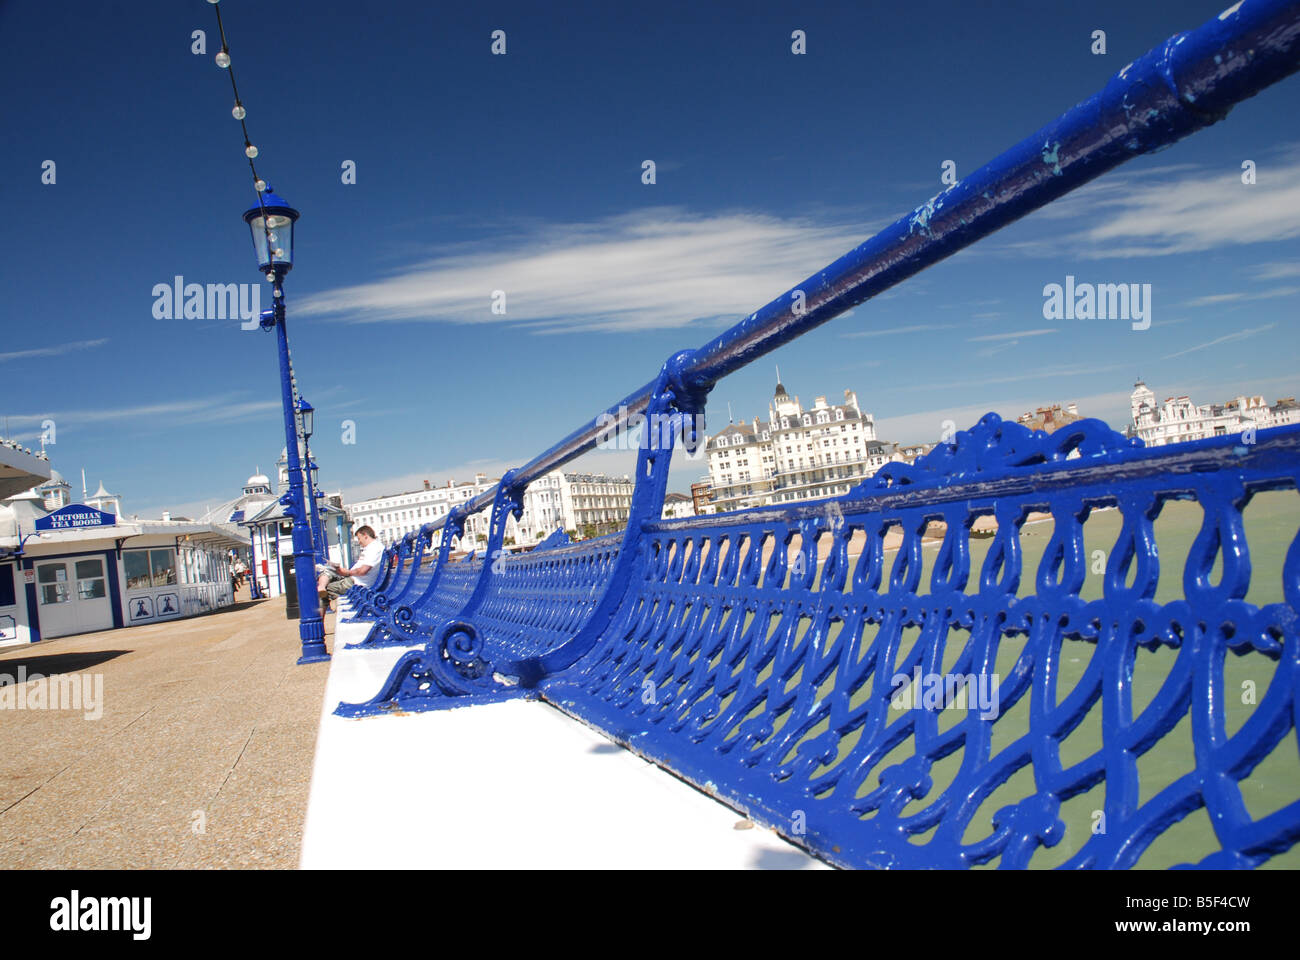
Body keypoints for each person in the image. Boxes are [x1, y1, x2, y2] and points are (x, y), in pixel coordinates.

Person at [317, 526, 385, 609]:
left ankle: (321, 616)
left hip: (357, 583)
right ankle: (322, 587)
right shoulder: (372, 547)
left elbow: (363, 571)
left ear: (365, 536)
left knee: (325, 592)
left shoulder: (374, 548)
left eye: (359, 539)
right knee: (327, 571)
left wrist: (347, 572)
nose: (359, 542)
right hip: (354, 578)